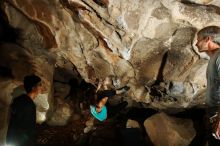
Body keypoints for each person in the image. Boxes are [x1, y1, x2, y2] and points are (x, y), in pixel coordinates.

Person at [196, 26, 220, 145]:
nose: (196, 43)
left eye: (198, 39)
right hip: (213, 112)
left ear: (208, 39)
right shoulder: (214, 57)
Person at [6, 75, 43, 146]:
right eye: (40, 85)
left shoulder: (19, 100)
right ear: (33, 88)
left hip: (13, 140)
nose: (41, 87)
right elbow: (28, 129)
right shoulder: (28, 105)